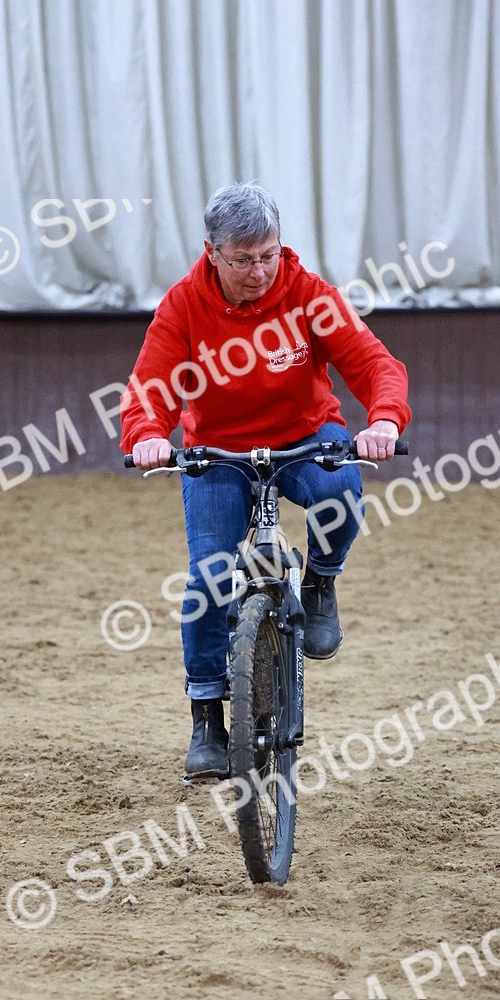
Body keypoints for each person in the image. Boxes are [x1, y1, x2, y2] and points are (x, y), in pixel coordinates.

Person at [120, 183, 410, 778]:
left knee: (339, 494)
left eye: (269, 255)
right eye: (243, 259)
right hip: (217, 450)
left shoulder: (309, 294)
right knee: (206, 579)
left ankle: (320, 584)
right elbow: (149, 390)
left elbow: (375, 364)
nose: (259, 272)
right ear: (212, 252)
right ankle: (207, 720)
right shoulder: (182, 306)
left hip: (305, 437)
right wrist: (147, 433)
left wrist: (382, 418)